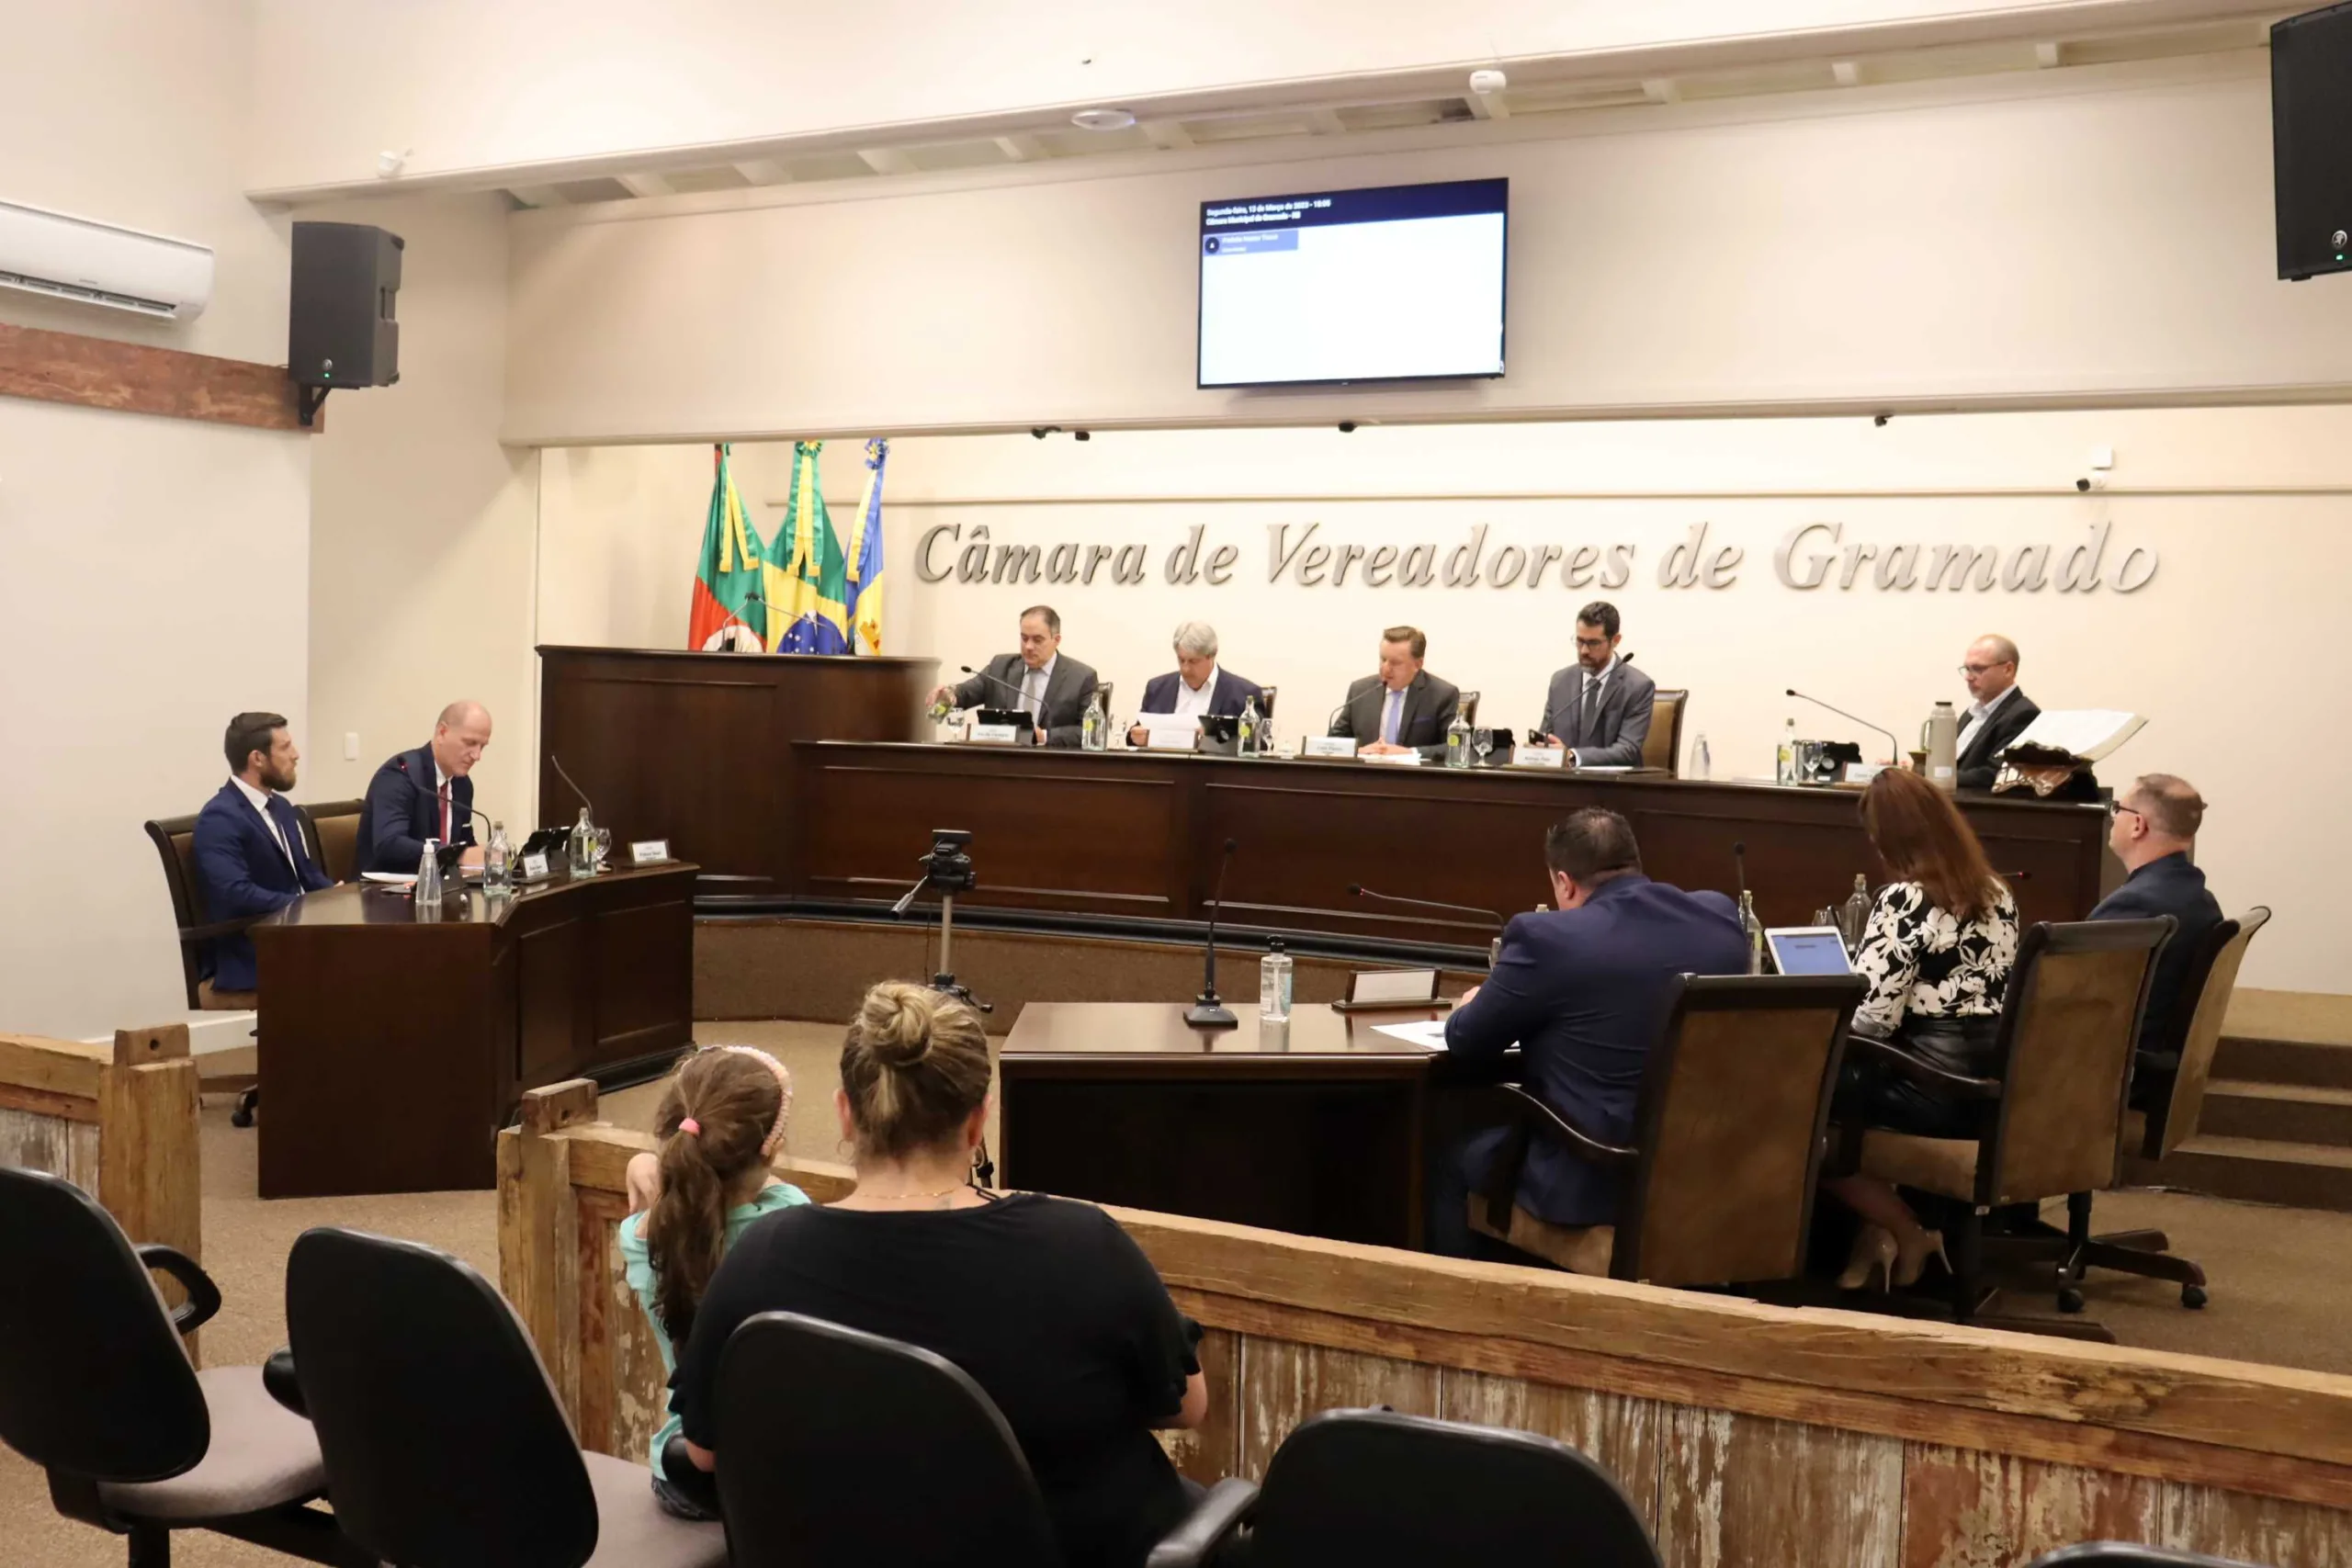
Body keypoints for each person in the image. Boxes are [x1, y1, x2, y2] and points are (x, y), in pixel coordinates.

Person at [671, 981, 1206, 1568]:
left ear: (846, 1115)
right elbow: (1185, 1404)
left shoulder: (761, 1258)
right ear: (977, 1124)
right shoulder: (1081, 1244)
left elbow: (702, 1453)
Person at [1430, 808, 1747, 1258]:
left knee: (1450, 1162)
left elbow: (1467, 1041)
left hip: (1595, 1179)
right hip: (1709, 1176)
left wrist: (1469, 1006)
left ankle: (1464, 1304)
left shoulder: (1547, 937)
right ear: (1634, 862)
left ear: (1564, 882)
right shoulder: (1719, 917)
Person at [1825, 767, 2020, 1291]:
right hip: (1989, 1081)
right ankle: (1876, 1238)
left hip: (1929, 1087)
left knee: (1801, 1114)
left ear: (1891, 839)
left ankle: (1907, 1231)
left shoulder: (1904, 900)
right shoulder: (1999, 892)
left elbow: (1874, 1019)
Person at [616, 1044, 809, 1519]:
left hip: (679, 1470)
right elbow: (763, 1189)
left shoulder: (638, 1234)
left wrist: (645, 1161)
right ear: (771, 1147)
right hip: (768, 1475)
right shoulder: (791, 1220)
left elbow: (698, 1194)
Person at [189, 712, 334, 1004]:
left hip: (296, 939)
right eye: (285, 747)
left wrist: (339, 897)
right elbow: (235, 894)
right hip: (252, 952)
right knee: (359, 979)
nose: (295, 755)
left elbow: (305, 874)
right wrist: (303, 906)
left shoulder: (281, 807)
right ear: (257, 758)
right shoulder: (220, 817)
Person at [2091, 773, 2222, 1092]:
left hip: (2115, 1070)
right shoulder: (2202, 899)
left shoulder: (2135, 905)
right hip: (2150, 1059)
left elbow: (2076, 996)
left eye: (2117, 809)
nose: (2113, 817)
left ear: (2138, 825)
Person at [931, 605, 1102, 748]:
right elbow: (966, 693)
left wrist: (1044, 736)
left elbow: (1090, 732)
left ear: (1056, 640)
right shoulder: (1000, 667)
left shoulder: (1081, 678)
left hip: (1052, 767)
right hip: (1000, 764)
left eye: (1037, 640)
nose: (1028, 646)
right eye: (1024, 638)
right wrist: (950, 694)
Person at [354, 700, 492, 874]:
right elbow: (389, 844)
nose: (477, 755)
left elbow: (464, 843)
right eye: (470, 743)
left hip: (439, 884)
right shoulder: (400, 775)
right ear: (442, 732)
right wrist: (456, 856)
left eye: (482, 746)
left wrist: (486, 857)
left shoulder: (462, 784)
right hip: (385, 886)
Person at [1537, 601, 1657, 768]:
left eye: (1593, 643)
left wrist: (1573, 757)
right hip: (1563, 782)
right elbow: (1545, 739)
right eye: (1580, 641)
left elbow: (1627, 750)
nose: (1584, 651)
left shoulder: (1638, 687)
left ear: (1615, 640)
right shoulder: (1560, 682)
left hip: (1611, 783)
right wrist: (1538, 750)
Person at [1329, 626, 1462, 761]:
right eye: (1383, 659)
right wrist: (1359, 751)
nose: (1385, 668)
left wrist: (1410, 752)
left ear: (1418, 664)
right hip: (1365, 772)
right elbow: (1333, 742)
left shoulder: (1442, 695)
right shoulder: (1360, 690)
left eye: (1395, 663)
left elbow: (1457, 746)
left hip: (1414, 773)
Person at [1127, 621, 1266, 745]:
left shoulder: (1244, 695)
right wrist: (1136, 736)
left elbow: (1261, 744)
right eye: (1181, 660)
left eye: (1193, 661)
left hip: (1215, 766)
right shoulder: (1157, 688)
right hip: (1163, 765)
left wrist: (1218, 737)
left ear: (1211, 655)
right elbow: (1134, 735)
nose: (1185, 669)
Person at [1953, 635, 2040, 790]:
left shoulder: (2024, 714)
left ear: (2008, 669)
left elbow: (1996, 774)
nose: (1968, 677)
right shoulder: (1970, 714)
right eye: (1967, 669)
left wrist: (1938, 778)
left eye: (1978, 669)